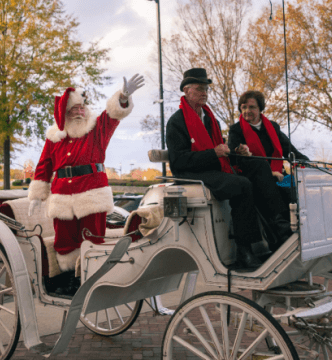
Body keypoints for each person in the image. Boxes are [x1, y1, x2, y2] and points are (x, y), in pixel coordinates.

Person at [28, 74, 145, 295]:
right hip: (62, 196)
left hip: (92, 194)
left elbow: (112, 115)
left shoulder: (97, 130)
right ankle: (68, 280)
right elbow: (44, 165)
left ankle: (90, 280)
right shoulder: (54, 138)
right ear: (65, 113)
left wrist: (123, 96)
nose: (80, 112)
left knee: (92, 239)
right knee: (65, 241)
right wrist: (37, 194)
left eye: (82, 108)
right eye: (75, 109)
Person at [165, 68, 292, 269]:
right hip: (192, 174)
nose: (204, 93)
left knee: (259, 165)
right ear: (187, 91)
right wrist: (213, 153)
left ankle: (281, 230)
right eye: (199, 88)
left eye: (206, 88)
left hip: (214, 167)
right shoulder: (177, 121)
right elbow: (178, 162)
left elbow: (221, 151)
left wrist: (236, 153)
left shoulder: (209, 119)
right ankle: (244, 249)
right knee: (241, 184)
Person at [227, 90, 309, 182]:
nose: (247, 111)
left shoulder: (273, 127)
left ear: (260, 108)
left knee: (293, 191)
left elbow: (289, 150)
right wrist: (239, 151)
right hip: (253, 178)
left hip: (279, 174)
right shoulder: (236, 129)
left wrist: (305, 162)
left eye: (252, 107)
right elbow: (232, 157)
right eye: (244, 107)